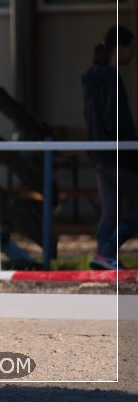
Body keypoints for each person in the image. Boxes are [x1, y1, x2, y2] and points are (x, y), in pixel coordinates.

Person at [81, 25, 138, 270]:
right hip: (118, 154)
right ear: (121, 48)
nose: (133, 55)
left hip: (98, 154)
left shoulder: (92, 77)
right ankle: (106, 252)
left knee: (110, 211)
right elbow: (115, 118)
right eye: (132, 49)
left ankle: (103, 257)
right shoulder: (112, 78)